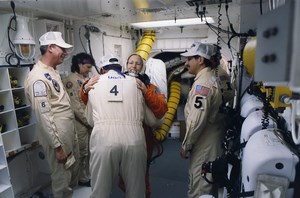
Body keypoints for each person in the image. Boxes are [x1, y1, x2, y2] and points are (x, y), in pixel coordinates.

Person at [80, 53, 168, 198]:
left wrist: (85, 90)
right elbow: (153, 120)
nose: (133, 66)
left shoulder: (92, 84)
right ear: (122, 67)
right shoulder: (138, 84)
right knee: (136, 190)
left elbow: (90, 120)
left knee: (100, 190)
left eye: (137, 63)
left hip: (103, 139)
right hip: (135, 139)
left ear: (102, 69)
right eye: (131, 63)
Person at [24, 31, 79, 198]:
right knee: (62, 180)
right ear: (51, 48)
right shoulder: (38, 78)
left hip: (67, 131)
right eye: (62, 48)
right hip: (57, 136)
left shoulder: (51, 71)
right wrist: (57, 147)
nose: (66, 53)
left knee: (70, 175)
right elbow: (44, 116)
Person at [180, 42, 224, 198]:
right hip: (212, 139)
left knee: (199, 189)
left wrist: (186, 144)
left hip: (204, 143)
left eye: (190, 59)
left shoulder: (202, 84)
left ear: (200, 60)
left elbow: (196, 119)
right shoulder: (211, 77)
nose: (186, 63)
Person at [63, 52, 95, 187]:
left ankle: (86, 175)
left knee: (89, 150)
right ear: (79, 65)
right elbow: (76, 106)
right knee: (82, 152)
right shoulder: (71, 81)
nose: (89, 70)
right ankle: (81, 178)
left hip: (87, 121)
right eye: (87, 67)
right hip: (80, 123)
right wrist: (89, 122)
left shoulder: (84, 79)